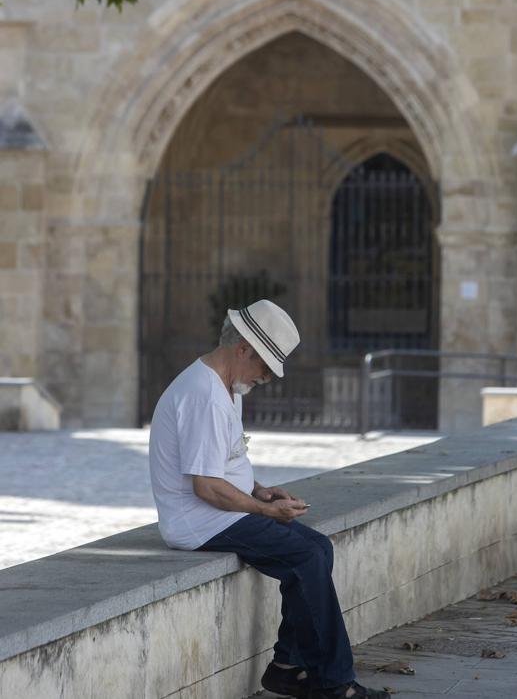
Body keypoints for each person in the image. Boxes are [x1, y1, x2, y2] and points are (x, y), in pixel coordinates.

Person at [149, 299, 388, 699]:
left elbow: (221, 463)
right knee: (306, 557)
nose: (266, 377)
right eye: (264, 366)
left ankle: (286, 667)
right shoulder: (204, 394)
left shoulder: (227, 386)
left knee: (318, 548)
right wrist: (264, 510)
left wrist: (259, 488)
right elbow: (205, 486)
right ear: (243, 348)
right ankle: (334, 684)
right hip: (201, 521)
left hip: (221, 512)